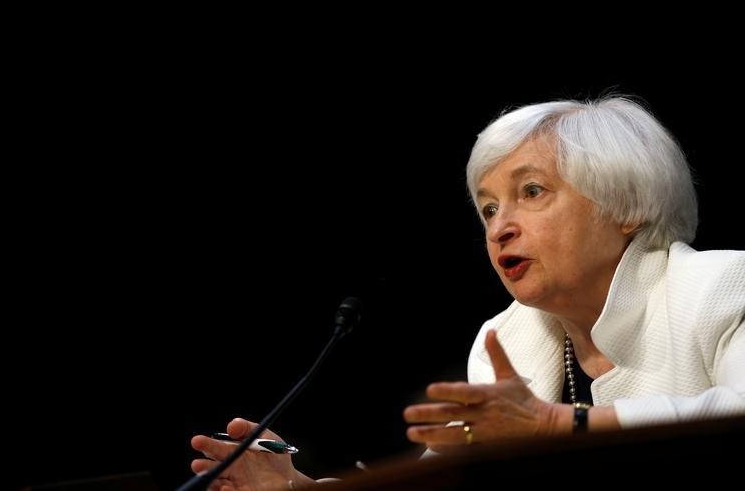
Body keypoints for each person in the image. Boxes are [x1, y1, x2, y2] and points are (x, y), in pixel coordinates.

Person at [188, 96, 745, 489]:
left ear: (626, 206)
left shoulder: (720, 285)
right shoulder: (508, 339)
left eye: (532, 191)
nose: (499, 226)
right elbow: (445, 482)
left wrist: (557, 427)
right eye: (488, 208)